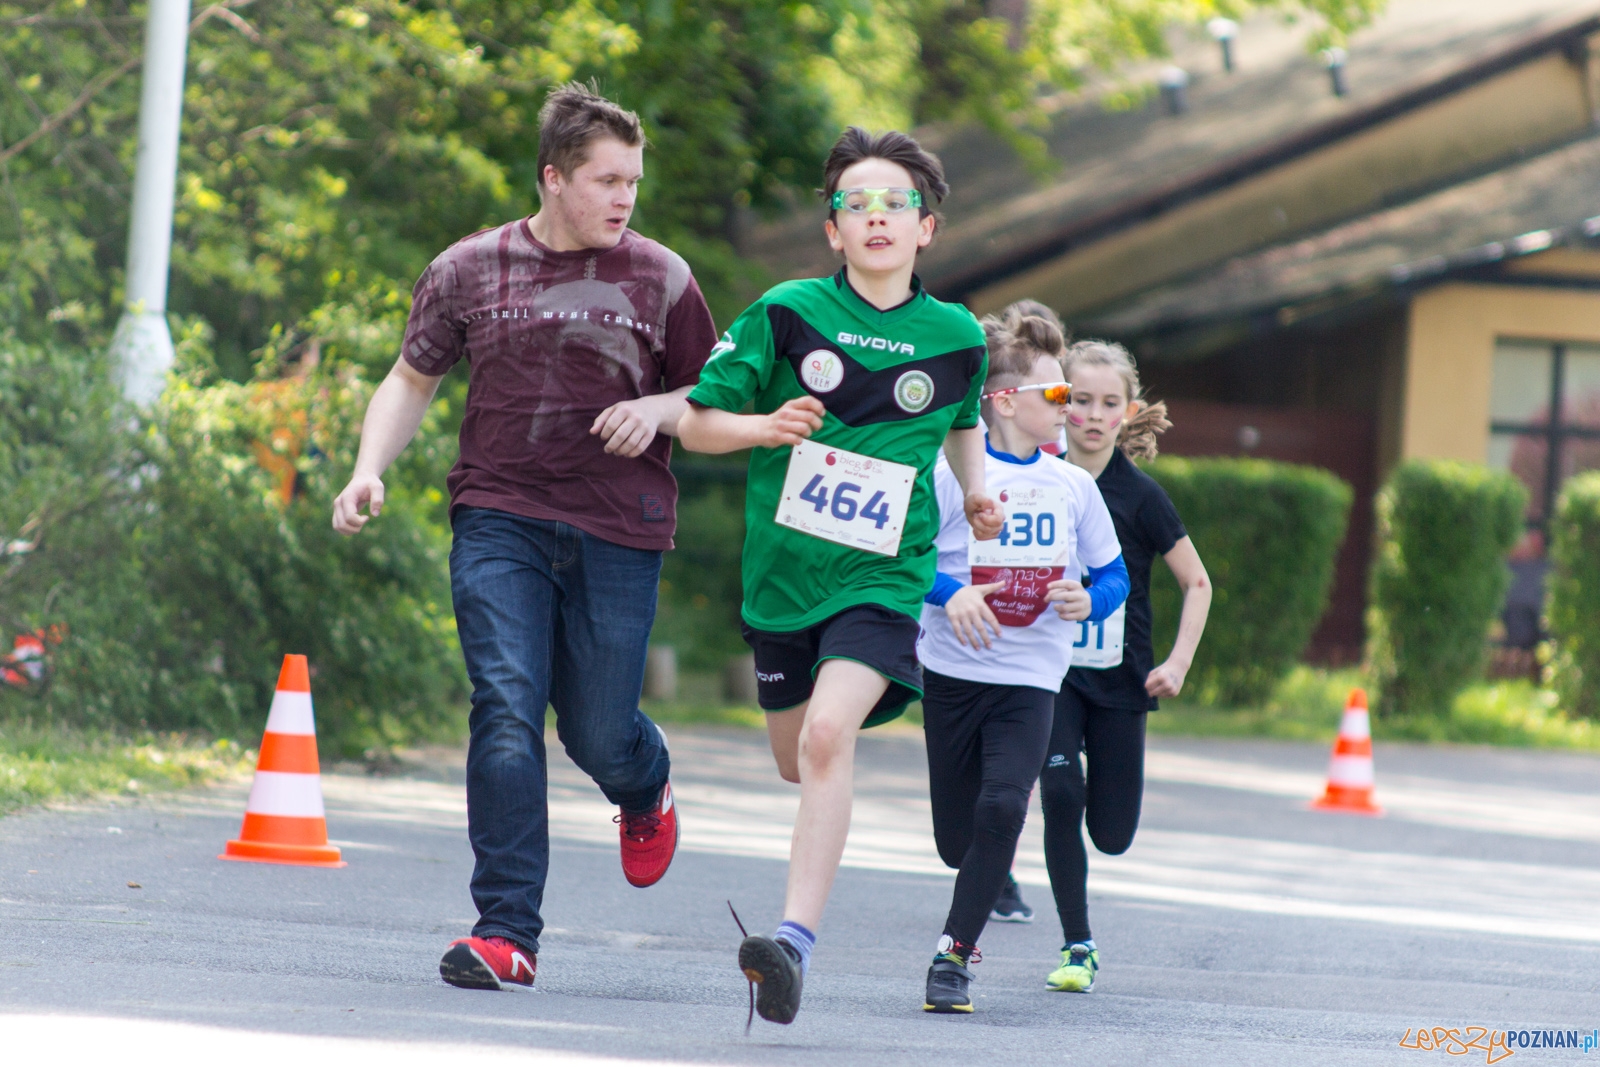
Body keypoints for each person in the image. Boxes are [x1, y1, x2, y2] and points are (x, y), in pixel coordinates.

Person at [331, 83, 718, 992]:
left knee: (594, 730)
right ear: (552, 177)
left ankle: (643, 776)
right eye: (606, 180)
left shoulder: (661, 276)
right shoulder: (468, 268)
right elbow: (410, 380)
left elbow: (713, 401)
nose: (625, 198)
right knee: (505, 702)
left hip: (619, 527)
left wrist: (657, 408)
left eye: (633, 180)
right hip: (499, 513)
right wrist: (367, 467)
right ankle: (507, 929)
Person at [677, 127, 1004, 1025]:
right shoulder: (786, 311)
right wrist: (764, 426)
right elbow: (699, 424)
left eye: (894, 203)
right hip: (783, 581)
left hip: (883, 580)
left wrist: (975, 495)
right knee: (795, 757)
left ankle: (791, 947)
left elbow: (965, 419)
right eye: (854, 204)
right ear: (832, 229)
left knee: (828, 735)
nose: (875, 217)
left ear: (926, 227)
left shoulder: (956, 336)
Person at [915, 312, 1127, 1014]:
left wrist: (1087, 599)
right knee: (959, 838)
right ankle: (969, 889)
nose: (1069, 406)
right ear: (1005, 400)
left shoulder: (1075, 487)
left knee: (1004, 806)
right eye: (1058, 394)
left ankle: (953, 955)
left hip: (1032, 678)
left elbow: (1114, 575)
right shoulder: (953, 477)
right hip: (952, 673)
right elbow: (904, 561)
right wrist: (953, 594)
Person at [1030, 330, 1213, 995]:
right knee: (1058, 791)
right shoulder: (1032, 478)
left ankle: (1083, 905)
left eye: (1111, 402)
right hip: (1046, 673)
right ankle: (1078, 942)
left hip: (1122, 678)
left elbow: (1198, 582)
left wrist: (1179, 663)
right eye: (1080, 399)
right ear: (1059, 401)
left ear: (1129, 413)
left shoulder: (1141, 497)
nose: (1095, 414)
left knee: (1110, 833)